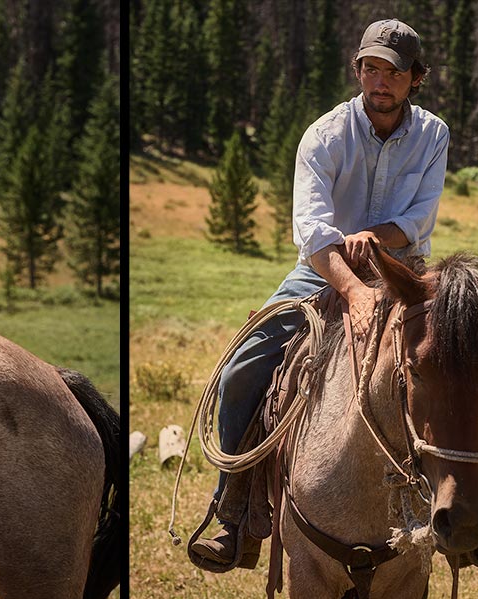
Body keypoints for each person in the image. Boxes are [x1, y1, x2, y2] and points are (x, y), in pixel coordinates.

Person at [191, 18, 449, 570]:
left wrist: (372, 243)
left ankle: (475, 513)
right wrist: (353, 290)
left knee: (464, 360)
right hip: (320, 269)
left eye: (394, 73)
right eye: (371, 69)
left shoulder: (434, 135)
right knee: (243, 366)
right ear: (358, 69)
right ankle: (233, 510)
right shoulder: (324, 134)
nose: (380, 82)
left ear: (415, 79)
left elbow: (418, 218)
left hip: (402, 268)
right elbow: (311, 231)